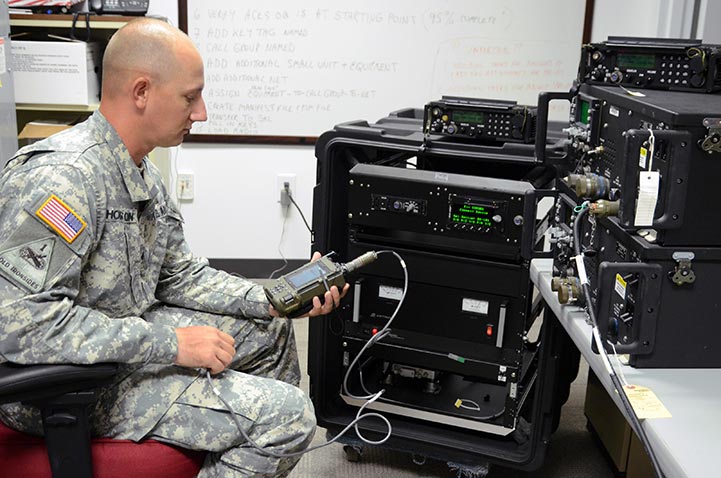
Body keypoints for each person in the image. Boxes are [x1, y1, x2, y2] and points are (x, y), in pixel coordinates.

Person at [0, 18, 346, 477]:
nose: (200, 112)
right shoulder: (62, 180)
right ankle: (253, 430)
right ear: (141, 92)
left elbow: (178, 275)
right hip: (69, 380)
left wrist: (270, 299)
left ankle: (236, 450)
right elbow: (22, 326)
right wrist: (171, 345)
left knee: (270, 330)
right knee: (289, 417)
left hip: (123, 343)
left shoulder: (140, 168)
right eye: (190, 97)